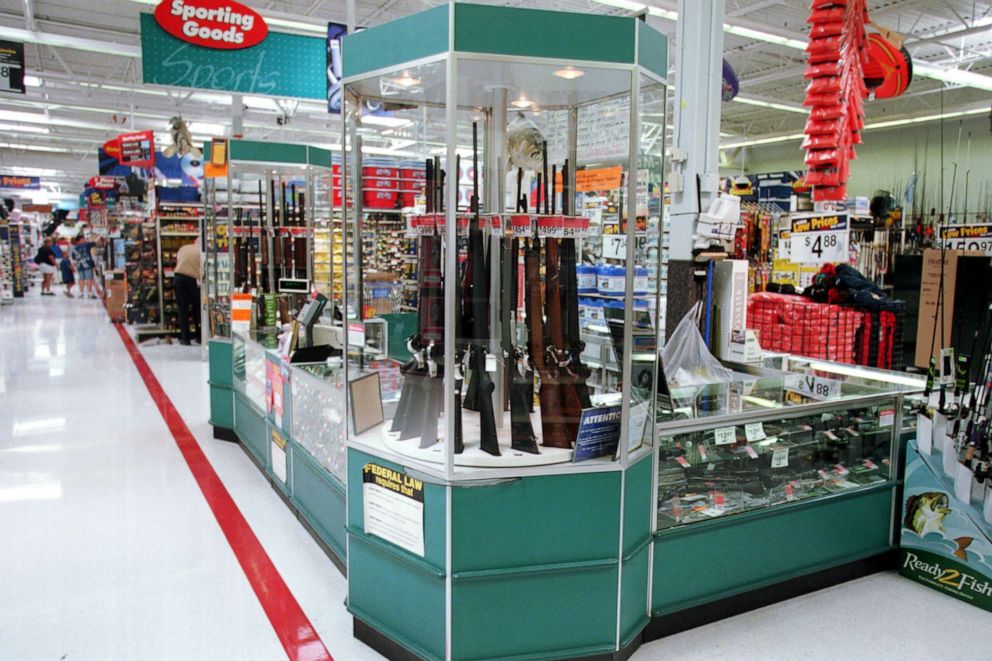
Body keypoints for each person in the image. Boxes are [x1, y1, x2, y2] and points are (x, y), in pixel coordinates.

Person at [173, 238, 201, 345]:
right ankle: (199, 336)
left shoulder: (183, 248)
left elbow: (178, 260)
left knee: (182, 309)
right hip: (192, 280)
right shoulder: (200, 252)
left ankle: (185, 338)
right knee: (197, 309)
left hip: (178, 278)